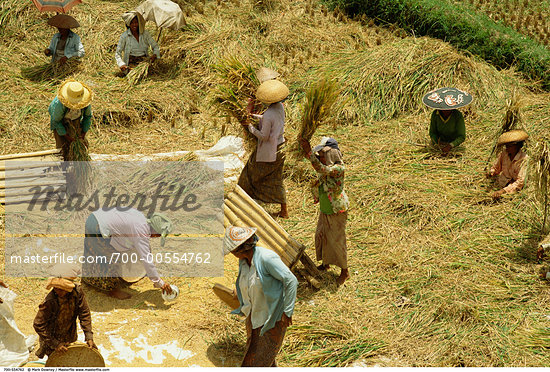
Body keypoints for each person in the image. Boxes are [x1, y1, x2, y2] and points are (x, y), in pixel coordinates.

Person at [224, 225, 297, 367]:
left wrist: (288, 312)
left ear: (240, 249)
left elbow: (291, 280)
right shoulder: (244, 262)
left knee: (256, 362)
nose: (231, 253)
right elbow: (250, 283)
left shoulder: (266, 258)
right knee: (263, 357)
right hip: (255, 317)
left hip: (272, 321)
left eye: (232, 250)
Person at [82, 207, 174, 300]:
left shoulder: (141, 218)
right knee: (111, 256)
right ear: (155, 230)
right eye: (158, 234)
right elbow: (146, 259)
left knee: (93, 251)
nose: (156, 237)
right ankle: (112, 289)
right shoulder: (141, 231)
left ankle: (89, 279)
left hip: (94, 218)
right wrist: (159, 282)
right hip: (97, 226)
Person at [300, 137, 350, 285]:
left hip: (336, 209)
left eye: (322, 154)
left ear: (330, 154)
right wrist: (303, 148)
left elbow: (322, 169)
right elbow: (313, 160)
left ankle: (345, 271)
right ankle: (325, 263)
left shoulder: (338, 168)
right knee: (321, 236)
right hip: (325, 207)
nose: (320, 157)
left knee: (336, 240)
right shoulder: (324, 163)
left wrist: (309, 152)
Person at [238, 79, 290, 218]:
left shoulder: (268, 115)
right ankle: (284, 210)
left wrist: (249, 126)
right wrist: (255, 117)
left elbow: (263, 136)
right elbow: (270, 119)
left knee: (250, 173)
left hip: (270, 150)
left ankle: (245, 203)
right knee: (276, 178)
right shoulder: (280, 107)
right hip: (281, 147)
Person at [33, 264, 97, 359]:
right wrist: (55, 344)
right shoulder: (50, 302)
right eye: (56, 288)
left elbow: (84, 313)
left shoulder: (77, 292)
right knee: (55, 360)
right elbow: (38, 324)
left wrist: (88, 336)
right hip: (51, 338)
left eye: (62, 289)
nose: (58, 292)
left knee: (68, 358)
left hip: (68, 334)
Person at [48, 79, 93, 161]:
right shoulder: (59, 104)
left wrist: (83, 132)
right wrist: (67, 137)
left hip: (75, 120)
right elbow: (56, 121)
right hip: (61, 122)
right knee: (63, 147)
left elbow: (87, 117)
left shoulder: (85, 102)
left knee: (81, 144)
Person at [422, 87, 472, 154]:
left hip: (453, 145)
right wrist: (437, 143)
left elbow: (461, 136)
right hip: (440, 144)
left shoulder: (457, 115)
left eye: (448, 109)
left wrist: (450, 145)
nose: (446, 110)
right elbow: (432, 132)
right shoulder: (435, 114)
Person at [486, 129, 529, 200]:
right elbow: (497, 167)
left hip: (515, 190)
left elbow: (520, 182)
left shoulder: (524, 159)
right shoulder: (504, 154)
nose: (507, 148)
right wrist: (491, 173)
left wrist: (502, 191)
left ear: (517, 146)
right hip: (502, 184)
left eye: (509, 146)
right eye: (506, 146)